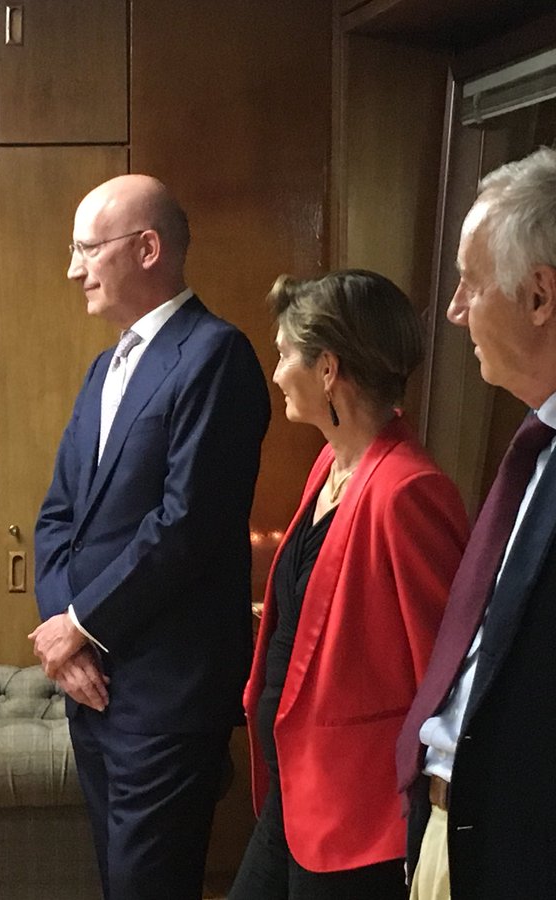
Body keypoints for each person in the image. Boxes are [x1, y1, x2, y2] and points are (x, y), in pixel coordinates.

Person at [30, 174, 270, 899]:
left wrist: (79, 624)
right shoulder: (106, 365)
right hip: (94, 690)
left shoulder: (214, 355)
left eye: (86, 249)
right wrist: (62, 634)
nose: (74, 269)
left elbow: (186, 526)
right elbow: (58, 518)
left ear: (146, 248)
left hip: (168, 694)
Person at [229, 270, 469, 899]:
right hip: (296, 793)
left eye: (285, 354)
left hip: (356, 818)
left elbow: (440, 674)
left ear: (328, 368)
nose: (277, 371)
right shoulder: (329, 464)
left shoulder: (408, 491)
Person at [397, 145, 556, 899]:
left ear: (539, 296)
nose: (455, 308)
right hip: (450, 832)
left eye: (470, 283)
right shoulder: (532, 444)